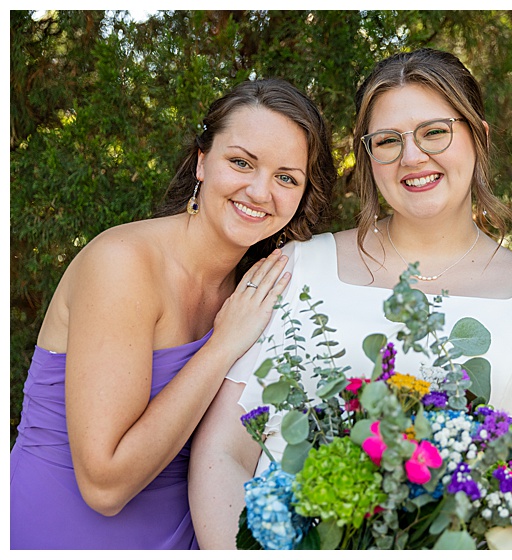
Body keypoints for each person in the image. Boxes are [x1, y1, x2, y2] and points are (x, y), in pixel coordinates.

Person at [188, 48, 512, 548]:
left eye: (434, 132)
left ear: (479, 138)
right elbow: (223, 452)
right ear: (367, 157)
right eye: (387, 141)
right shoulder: (295, 268)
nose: (412, 157)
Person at [9, 78, 337, 549]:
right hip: (60, 534)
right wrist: (223, 344)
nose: (261, 192)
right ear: (202, 161)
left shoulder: (255, 286)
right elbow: (104, 486)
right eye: (241, 162)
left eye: (287, 177)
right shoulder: (123, 263)